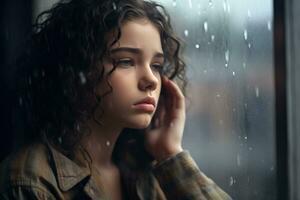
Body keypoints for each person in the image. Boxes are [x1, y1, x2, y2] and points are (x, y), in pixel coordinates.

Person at [0, 0, 232, 199]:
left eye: (157, 66)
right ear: (75, 69)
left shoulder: (148, 170)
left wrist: (169, 152)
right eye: (126, 61)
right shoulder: (30, 180)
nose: (151, 80)